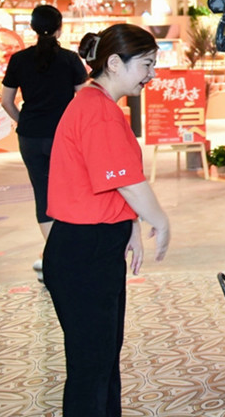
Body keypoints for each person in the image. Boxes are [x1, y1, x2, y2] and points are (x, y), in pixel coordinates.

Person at [44, 24, 171, 417]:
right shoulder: (97, 111)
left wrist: (130, 226)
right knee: (91, 367)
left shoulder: (96, 103)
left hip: (92, 248)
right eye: (146, 65)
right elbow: (129, 182)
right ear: (114, 63)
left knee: (100, 360)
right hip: (84, 253)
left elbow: (110, 180)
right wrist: (160, 221)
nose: (151, 74)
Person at [1, 5, 88, 279]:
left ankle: (52, 254)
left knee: (42, 192)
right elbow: (84, 100)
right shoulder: (70, 59)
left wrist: (23, 122)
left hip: (30, 135)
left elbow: (6, 102)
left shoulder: (18, 59)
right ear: (60, 27)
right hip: (63, 136)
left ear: (32, 28)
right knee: (69, 190)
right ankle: (71, 250)